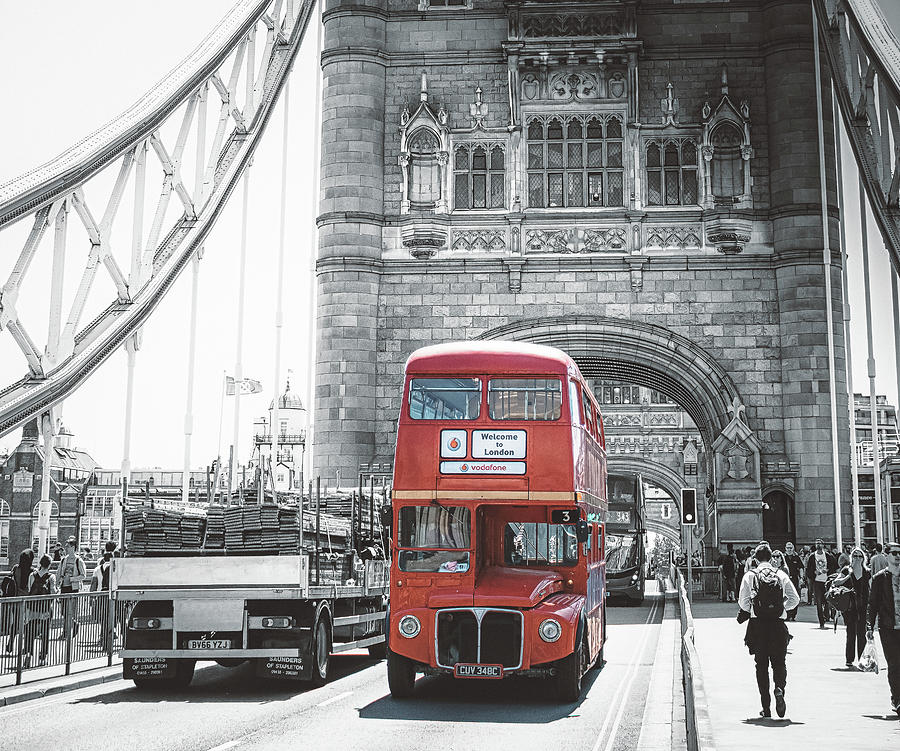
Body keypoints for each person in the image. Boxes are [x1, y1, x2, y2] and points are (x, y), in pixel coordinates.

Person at [738, 542, 800, 718]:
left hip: (758, 626)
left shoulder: (750, 576)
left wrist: (753, 608)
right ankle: (779, 688)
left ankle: (766, 707)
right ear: (772, 557)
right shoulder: (780, 574)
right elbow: (795, 599)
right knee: (779, 663)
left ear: (755, 559)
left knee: (761, 665)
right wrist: (782, 609)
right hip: (778, 625)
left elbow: (742, 603)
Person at [866, 541, 900, 717]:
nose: (898, 556)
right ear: (887, 556)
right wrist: (869, 626)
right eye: (894, 553)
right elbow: (873, 604)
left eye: (899, 553)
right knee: (894, 664)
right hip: (888, 628)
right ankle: (897, 698)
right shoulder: (880, 578)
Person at [833, 547, 871, 668]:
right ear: (851, 557)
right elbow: (835, 582)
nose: (858, 558)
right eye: (855, 556)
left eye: (860, 556)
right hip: (850, 607)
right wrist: (848, 576)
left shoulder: (867, 571)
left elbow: (871, 588)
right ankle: (849, 659)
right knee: (850, 632)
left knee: (862, 633)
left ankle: (862, 659)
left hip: (863, 606)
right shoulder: (846, 569)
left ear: (863, 558)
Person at [25, 554, 56, 667]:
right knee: (45, 633)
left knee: (30, 632)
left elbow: (29, 589)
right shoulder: (51, 576)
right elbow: (53, 592)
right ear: (49, 565)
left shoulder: (32, 575)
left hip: (32, 608)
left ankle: (28, 654)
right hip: (45, 609)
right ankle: (43, 658)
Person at [2, 549, 34, 654]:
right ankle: (26, 647)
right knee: (27, 624)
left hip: (16, 600)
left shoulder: (16, 568)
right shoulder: (32, 571)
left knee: (15, 623)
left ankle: (11, 642)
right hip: (28, 602)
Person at [57, 536, 86, 640]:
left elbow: (83, 575)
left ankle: (65, 632)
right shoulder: (63, 560)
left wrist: (73, 579)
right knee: (64, 611)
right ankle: (74, 624)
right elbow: (60, 572)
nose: (66, 548)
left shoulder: (78, 561)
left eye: (68, 546)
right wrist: (60, 580)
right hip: (64, 587)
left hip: (73, 588)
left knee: (70, 611)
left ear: (73, 547)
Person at [805, 538, 837, 628]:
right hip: (817, 582)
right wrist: (814, 572)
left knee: (827, 600)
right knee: (818, 602)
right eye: (817, 543)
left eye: (820, 543)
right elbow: (808, 569)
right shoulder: (812, 556)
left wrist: (828, 570)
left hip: (826, 581)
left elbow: (834, 566)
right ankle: (821, 622)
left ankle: (827, 616)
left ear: (823, 545)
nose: (818, 545)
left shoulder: (828, 556)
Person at [783, 543, 803, 620]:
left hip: (794, 579)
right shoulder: (783, 557)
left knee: (794, 595)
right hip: (785, 579)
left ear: (793, 548)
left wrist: (801, 578)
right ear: (785, 548)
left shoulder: (797, 558)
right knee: (785, 596)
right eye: (788, 548)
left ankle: (793, 615)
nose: (789, 549)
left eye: (791, 548)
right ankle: (787, 614)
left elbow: (801, 568)